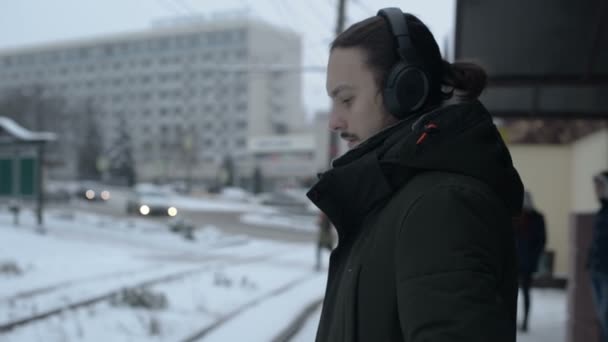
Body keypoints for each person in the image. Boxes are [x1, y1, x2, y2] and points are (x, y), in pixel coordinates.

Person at [306, 8, 524, 342]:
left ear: (405, 90)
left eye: (347, 99)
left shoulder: (442, 206)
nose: (335, 121)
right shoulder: (394, 199)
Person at [513, 191, 546, 332]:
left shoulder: (538, 218)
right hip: (514, 261)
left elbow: (541, 240)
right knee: (511, 292)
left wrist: (533, 258)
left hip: (528, 262)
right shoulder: (515, 216)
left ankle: (525, 322)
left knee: (526, 292)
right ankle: (511, 320)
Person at [588, 171, 608, 342]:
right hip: (596, 269)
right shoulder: (602, 210)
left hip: (605, 270)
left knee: (605, 314)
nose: (596, 190)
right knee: (601, 317)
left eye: (600, 186)